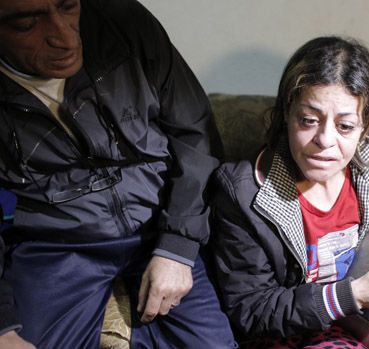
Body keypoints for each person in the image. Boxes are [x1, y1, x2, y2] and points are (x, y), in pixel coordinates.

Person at [0, 0, 235, 347]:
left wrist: (177, 248)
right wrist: (3, 326)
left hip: (160, 225)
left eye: (68, 7)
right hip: (54, 247)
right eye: (27, 24)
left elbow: (195, 135)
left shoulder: (124, 23)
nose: (65, 38)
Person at [208, 36, 369, 347]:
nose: (325, 140)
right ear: (287, 113)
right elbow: (252, 309)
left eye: (345, 126)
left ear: (364, 126)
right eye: (309, 120)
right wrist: (355, 295)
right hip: (288, 335)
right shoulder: (244, 194)